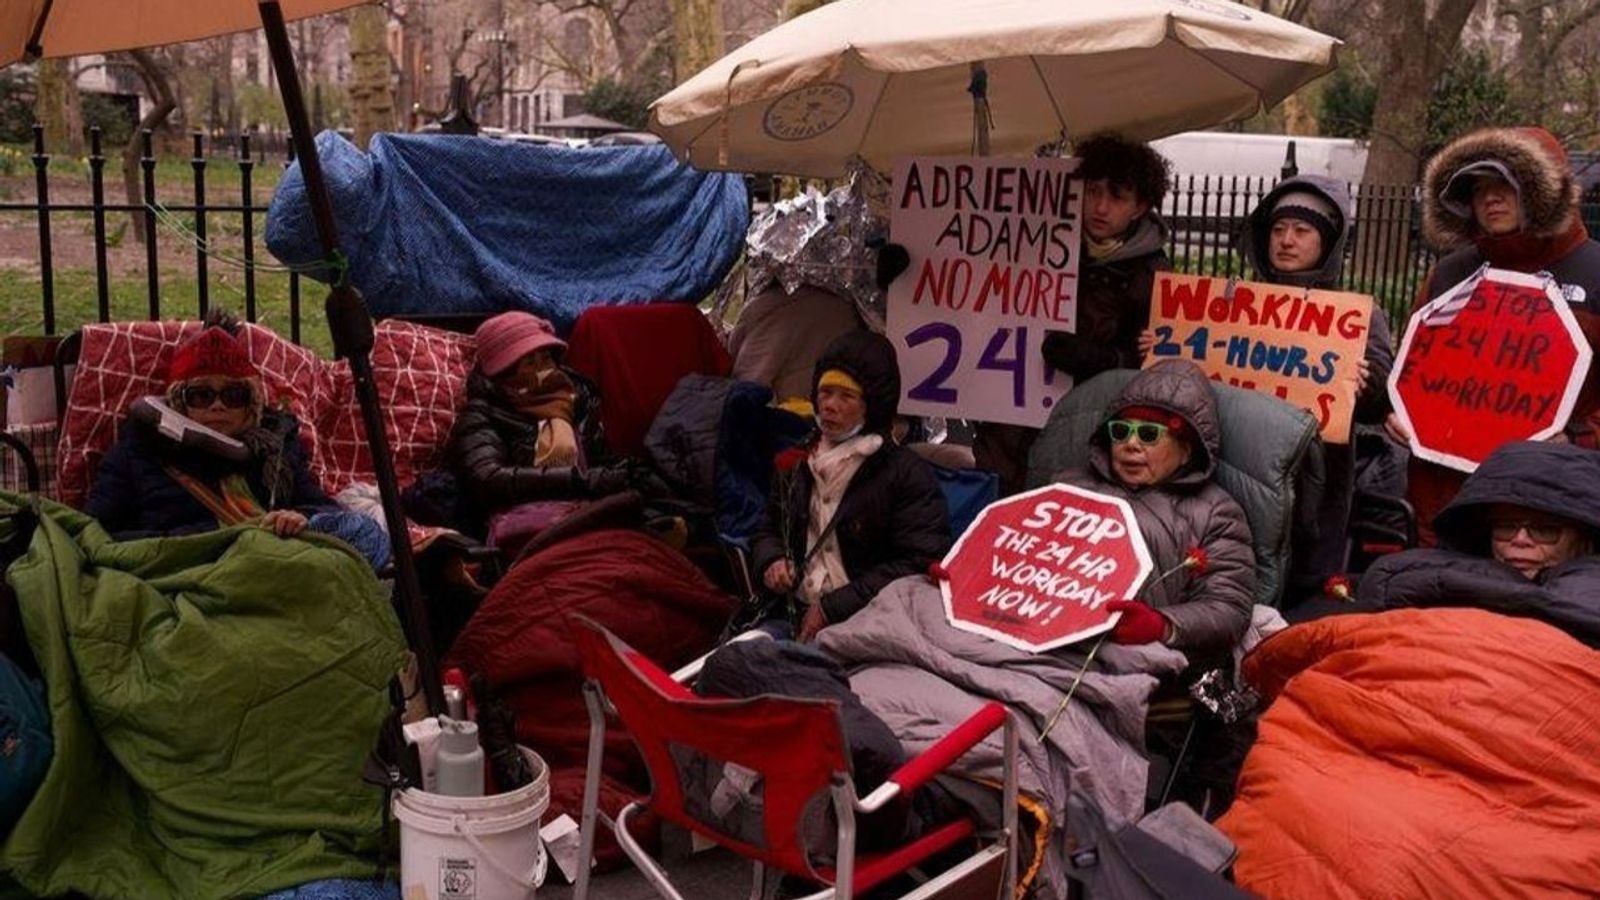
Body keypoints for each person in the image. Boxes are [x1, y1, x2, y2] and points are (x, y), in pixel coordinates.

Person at [1385, 127, 1600, 544]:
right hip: (1444, 507)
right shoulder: (1449, 273)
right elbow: (1411, 371)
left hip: (1549, 516)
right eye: (1479, 188)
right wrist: (1397, 412)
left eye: (1506, 185)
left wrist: (1577, 438)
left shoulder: (1594, 273)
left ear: (1543, 192)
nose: (1490, 198)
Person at [85, 314, 389, 566]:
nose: (217, 406)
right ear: (179, 403)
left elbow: (323, 509)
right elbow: (99, 535)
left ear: (251, 405)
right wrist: (219, 537)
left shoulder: (275, 449)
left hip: (274, 564)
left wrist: (298, 519)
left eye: (233, 395)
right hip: (189, 572)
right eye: (201, 395)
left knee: (365, 533)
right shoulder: (141, 449)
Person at [973, 133, 1175, 497]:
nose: (1100, 207)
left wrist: (1101, 360)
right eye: (1093, 191)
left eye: (1117, 197)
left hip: (1085, 429)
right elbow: (969, 288)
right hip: (1008, 426)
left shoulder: (1153, 275)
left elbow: (1158, 365)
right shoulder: (1034, 241)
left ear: (1140, 206)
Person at [1234, 175, 1395, 593]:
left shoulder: (1358, 315)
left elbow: (1382, 401)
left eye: (1302, 230)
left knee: (1303, 584)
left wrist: (1367, 384)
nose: (1286, 241)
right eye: (1278, 229)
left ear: (1327, 243)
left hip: (1317, 479)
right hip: (1242, 467)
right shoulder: (1234, 304)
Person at [751, 332, 950, 642]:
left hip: (869, 624)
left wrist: (832, 608)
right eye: (825, 392)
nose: (830, 406)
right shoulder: (797, 462)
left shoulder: (905, 474)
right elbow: (767, 528)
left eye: (846, 396)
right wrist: (772, 560)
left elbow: (917, 564)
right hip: (791, 615)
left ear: (872, 405)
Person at [1052, 360, 1255, 656]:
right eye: (1120, 431)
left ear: (1186, 450)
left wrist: (1162, 625)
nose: (1131, 444)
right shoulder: (1065, 486)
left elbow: (1229, 607)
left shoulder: (1216, 513)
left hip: (1125, 654)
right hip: (1039, 634)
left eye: (1148, 434)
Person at [1358, 441, 1600, 648]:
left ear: (1585, 541)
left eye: (1545, 531)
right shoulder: (1408, 574)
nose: (1520, 539)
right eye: (1505, 527)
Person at [448, 311, 634, 532]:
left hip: (595, 515)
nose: (543, 370)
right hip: (532, 529)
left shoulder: (576, 402)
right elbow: (487, 480)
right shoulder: (481, 416)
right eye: (529, 362)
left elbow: (601, 459)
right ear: (504, 372)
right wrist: (580, 481)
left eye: (546, 358)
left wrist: (633, 473)